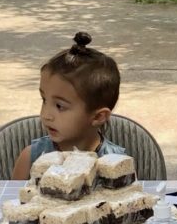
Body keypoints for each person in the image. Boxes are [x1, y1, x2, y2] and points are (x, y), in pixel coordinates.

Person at [10, 32, 126, 179]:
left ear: (98, 116)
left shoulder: (118, 164)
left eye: (59, 106)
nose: (46, 115)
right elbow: (12, 198)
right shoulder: (31, 158)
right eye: (44, 100)